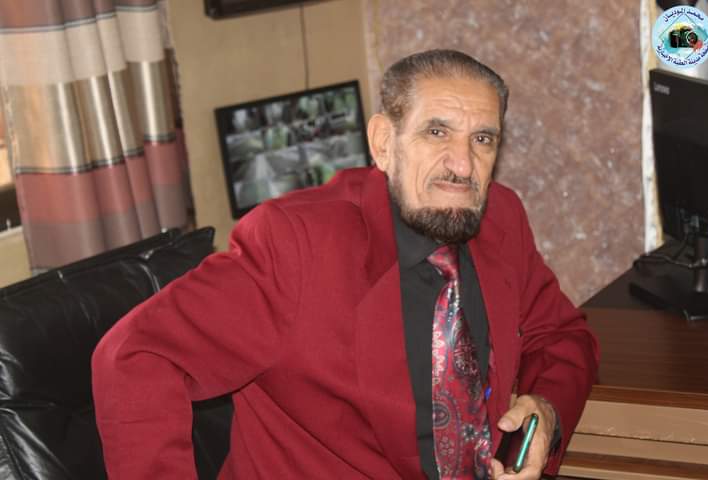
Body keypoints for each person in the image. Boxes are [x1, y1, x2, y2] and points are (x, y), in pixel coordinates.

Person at [92, 49, 599, 480]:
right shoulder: (295, 245)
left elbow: (561, 337)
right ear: (383, 144)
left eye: (482, 139)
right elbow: (134, 357)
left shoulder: (500, 217)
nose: (462, 164)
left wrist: (546, 413)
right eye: (437, 132)